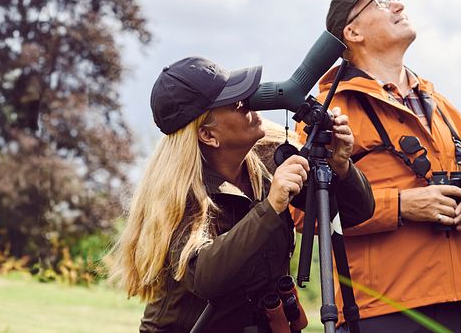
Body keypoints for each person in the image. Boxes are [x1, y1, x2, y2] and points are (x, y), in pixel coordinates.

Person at [106, 56, 375, 332]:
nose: (249, 102)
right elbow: (206, 277)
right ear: (208, 135)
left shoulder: (268, 159)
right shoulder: (179, 194)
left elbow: (356, 213)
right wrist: (271, 207)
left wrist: (341, 166)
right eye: (236, 102)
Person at [302, 0, 461, 333]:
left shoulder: (443, 106)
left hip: (449, 301)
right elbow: (306, 215)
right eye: (380, 3)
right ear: (352, 31)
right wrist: (403, 207)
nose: (398, 5)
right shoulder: (329, 111)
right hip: (377, 309)